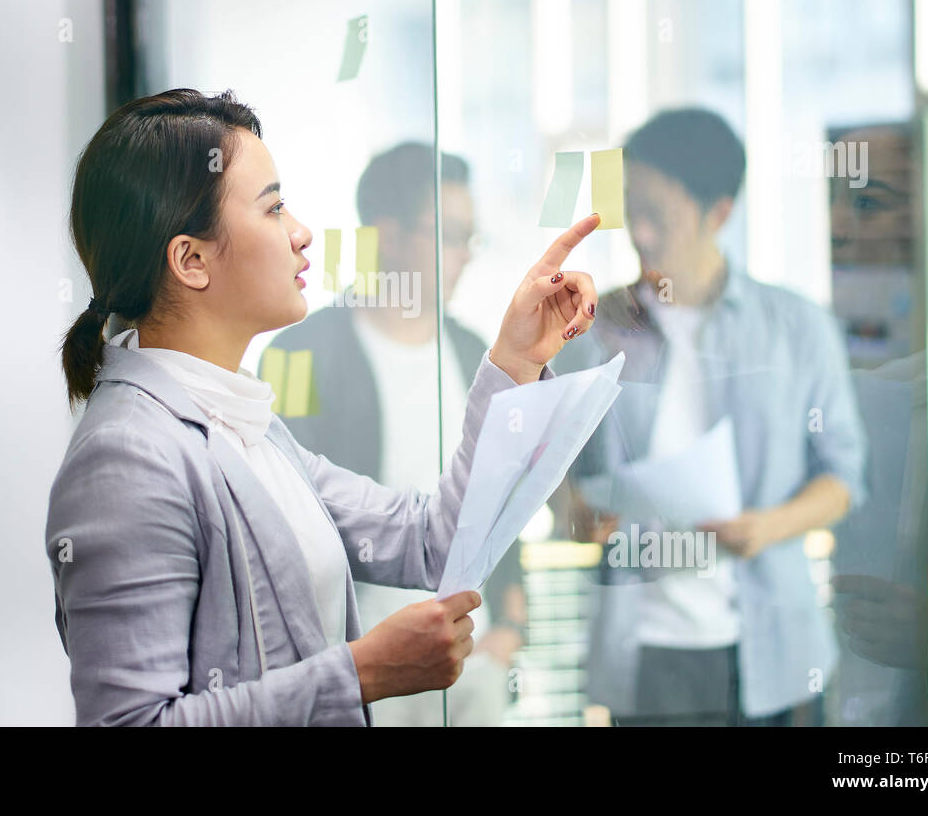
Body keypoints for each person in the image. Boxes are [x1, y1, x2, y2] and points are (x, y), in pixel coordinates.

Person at [45, 88, 603, 725]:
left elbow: (434, 541)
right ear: (190, 260)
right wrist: (360, 673)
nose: (302, 234)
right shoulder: (126, 455)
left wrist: (515, 359)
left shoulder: (248, 428)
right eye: (274, 208)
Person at [552, 107, 868, 726]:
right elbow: (556, 475)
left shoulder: (796, 329)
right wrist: (576, 515)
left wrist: (769, 526)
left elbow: (844, 476)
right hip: (647, 654)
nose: (639, 233)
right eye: (631, 211)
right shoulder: (595, 330)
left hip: (772, 650)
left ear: (718, 212)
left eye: (658, 216)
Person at [268, 142, 528, 726]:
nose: (464, 254)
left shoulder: (473, 351)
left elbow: (499, 495)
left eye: (470, 237)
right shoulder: (302, 352)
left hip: (468, 666)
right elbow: (285, 513)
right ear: (388, 233)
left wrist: (509, 629)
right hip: (362, 664)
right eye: (451, 234)